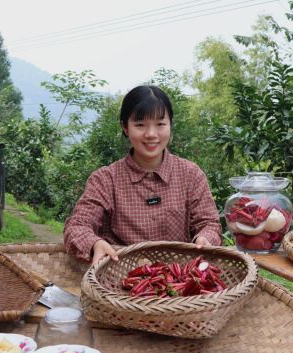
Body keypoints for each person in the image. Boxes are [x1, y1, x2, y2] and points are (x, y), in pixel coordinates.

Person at [64, 85, 222, 265]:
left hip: (180, 284)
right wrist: (95, 243)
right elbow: (77, 226)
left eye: (160, 124)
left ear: (171, 124)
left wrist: (205, 238)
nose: (151, 134)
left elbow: (209, 223)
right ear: (125, 127)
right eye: (140, 125)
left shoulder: (191, 175)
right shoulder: (105, 180)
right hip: (119, 281)